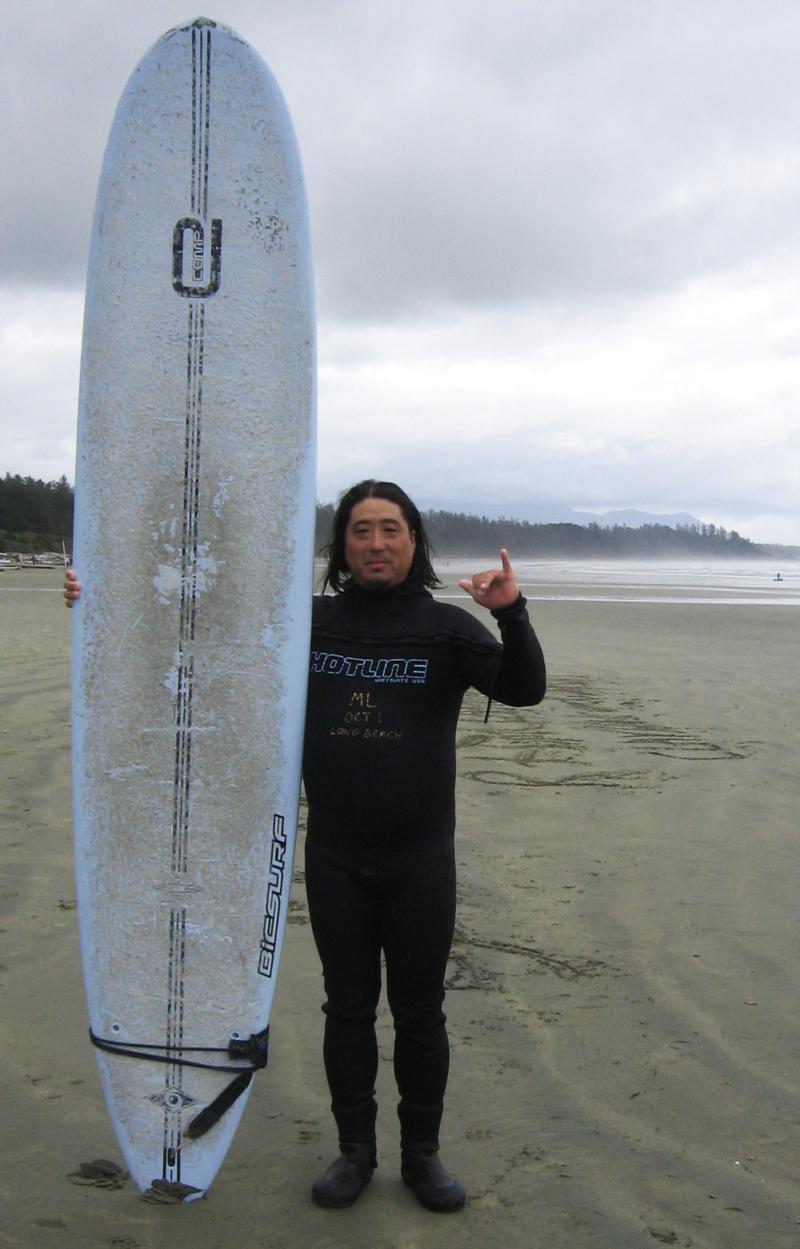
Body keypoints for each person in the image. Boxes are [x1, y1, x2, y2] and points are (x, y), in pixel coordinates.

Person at [64, 479, 546, 1213]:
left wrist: (512, 614)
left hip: (421, 860)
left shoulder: (447, 630)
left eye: (390, 529)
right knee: (346, 1008)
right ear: (340, 546)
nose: (376, 543)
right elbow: (195, 626)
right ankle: (355, 1150)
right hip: (336, 856)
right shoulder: (302, 623)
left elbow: (525, 689)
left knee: (420, 1013)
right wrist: (95, 593)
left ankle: (422, 1155)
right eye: (360, 530)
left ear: (415, 542)